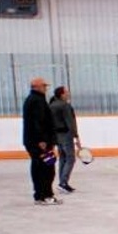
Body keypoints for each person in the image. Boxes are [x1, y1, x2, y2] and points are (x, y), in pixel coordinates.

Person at [22, 77, 60, 205]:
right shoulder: (36, 100)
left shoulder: (35, 99)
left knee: (41, 167)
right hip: (39, 142)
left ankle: (41, 195)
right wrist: (42, 140)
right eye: (44, 86)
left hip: (36, 141)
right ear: (36, 86)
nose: (46, 88)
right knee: (45, 168)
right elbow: (37, 121)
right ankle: (45, 195)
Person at [50, 86, 81, 193]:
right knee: (70, 158)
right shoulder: (65, 106)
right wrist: (76, 136)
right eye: (66, 92)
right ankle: (63, 183)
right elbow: (70, 122)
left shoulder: (52, 105)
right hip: (66, 135)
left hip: (57, 136)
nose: (68, 94)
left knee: (63, 158)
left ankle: (63, 182)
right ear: (62, 94)